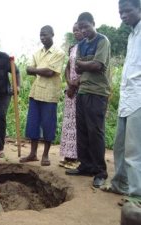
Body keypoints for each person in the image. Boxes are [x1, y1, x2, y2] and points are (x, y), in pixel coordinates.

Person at [65, 12, 111, 189]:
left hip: (98, 92)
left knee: (95, 132)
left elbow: (98, 66)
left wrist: (85, 64)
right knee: (82, 130)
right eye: (80, 27)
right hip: (83, 91)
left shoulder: (102, 41)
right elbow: (78, 65)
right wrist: (86, 63)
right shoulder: (82, 44)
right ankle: (85, 166)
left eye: (86, 26)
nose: (83, 30)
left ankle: (100, 172)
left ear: (93, 23)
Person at [102, 0, 141, 197]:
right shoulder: (132, 35)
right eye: (120, 12)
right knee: (120, 147)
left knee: (134, 152)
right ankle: (119, 184)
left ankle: (136, 197)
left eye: (127, 11)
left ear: (139, 9)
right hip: (128, 98)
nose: (123, 15)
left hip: (139, 99)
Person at [20, 25, 65, 166]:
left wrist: (36, 70)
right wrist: (39, 70)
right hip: (35, 93)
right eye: (41, 35)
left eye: (45, 34)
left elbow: (50, 72)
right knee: (33, 124)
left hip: (50, 95)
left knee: (48, 125)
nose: (42, 37)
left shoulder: (59, 52)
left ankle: (45, 155)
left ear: (53, 34)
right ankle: (33, 154)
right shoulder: (37, 52)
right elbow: (28, 69)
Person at [59, 23, 84, 169]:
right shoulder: (73, 48)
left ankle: (78, 158)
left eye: (79, 29)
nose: (76, 32)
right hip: (71, 92)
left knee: (78, 125)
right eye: (74, 30)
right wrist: (69, 83)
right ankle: (69, 157)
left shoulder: (88, 47)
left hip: (81, 89)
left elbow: (87, 71)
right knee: (69, 124)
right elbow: (68, 67)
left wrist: (75, 85)